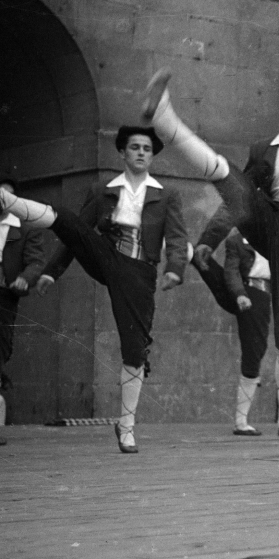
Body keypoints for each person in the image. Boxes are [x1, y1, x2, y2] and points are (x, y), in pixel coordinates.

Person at [142, 68, 279, 457]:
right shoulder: (266, 148)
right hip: (269, 221)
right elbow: (239, 203)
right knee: (230, 178)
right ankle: (165, 119)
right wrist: (208, 242)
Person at [3, 127, 188, 453]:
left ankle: (126, 427)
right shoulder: (103, 190)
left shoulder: (166, 194)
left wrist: (174, 269)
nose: (142, 153)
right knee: (71, 222)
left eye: (147, 148)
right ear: (123, 153)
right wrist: (51, 273)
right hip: (106, 256)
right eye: (134, 147)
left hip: (140, 273)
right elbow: (77, 235)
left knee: (135, 349)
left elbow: (175, 238)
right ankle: (12, 202)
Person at [193, 229, 272, 435]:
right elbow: (231, 270)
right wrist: (239, 294)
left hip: (263, 295)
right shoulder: (237, 240)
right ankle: (241, 422)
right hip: (245, 291)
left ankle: (241, 421)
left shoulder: (276, 236)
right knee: (254, 352)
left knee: (256, 351)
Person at [0, 176, 46, 446]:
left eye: (7, 197)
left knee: (1, 350)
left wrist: (24, 279)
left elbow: (35, 262)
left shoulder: (26, 228)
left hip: (4, 297)